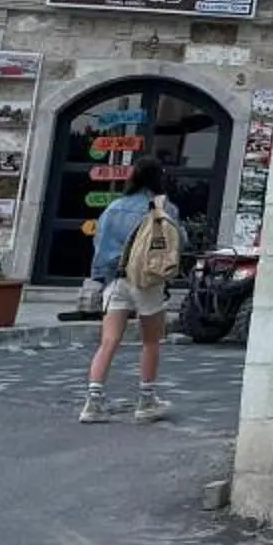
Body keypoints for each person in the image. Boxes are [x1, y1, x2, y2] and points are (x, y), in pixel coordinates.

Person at [77, 158, 180, 424]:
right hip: (148, 281)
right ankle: (146, 400)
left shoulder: (113, 208)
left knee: (108, 341)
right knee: (150, 341)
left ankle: (93, 401)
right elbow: (178, 241)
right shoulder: (164, 207)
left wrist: (100, 279)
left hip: (117, 280)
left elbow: (100, 246)